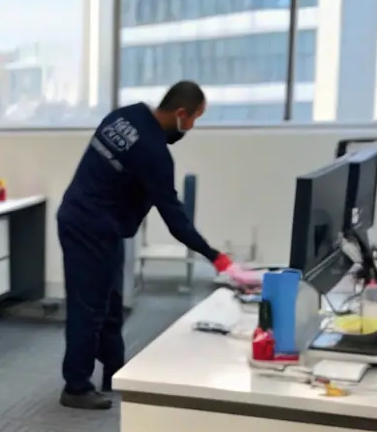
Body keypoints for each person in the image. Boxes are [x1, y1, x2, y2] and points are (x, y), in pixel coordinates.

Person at [56, 80, 256, 409]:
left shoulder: (124, 115)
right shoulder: (154, 153)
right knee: (88, 309)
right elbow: (175, 219)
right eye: (194, 118)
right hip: (88, 226)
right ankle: (76, 387)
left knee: (111, 304)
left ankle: (114, 372)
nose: (192, 126)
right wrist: (219, 260)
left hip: (94, 222)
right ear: (180, 113)